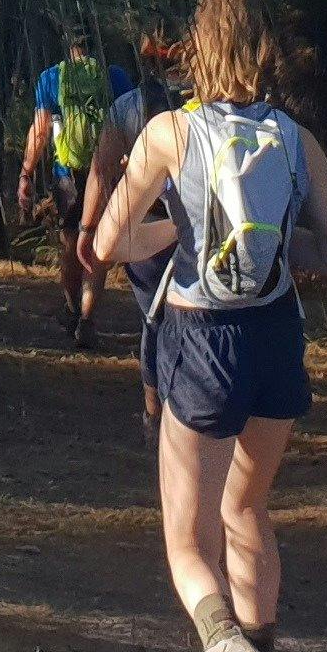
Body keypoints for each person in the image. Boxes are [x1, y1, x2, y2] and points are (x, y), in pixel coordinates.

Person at [92, 0, 327, 652]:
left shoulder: (169, 134)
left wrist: (182, 231)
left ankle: (224, 650)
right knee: (247, 508)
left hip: (201, 339)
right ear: (268, 48)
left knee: (187, 542)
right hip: (275, 338)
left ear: (196, 47)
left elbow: (107, 242)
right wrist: (269, 242)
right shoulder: (297, 140)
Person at [82, 28, 188, 422]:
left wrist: (87, 229)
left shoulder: (128, 106)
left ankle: (153, 411)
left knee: (153, 319)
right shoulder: (209, 105)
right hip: (203, 229)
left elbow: (100, 169)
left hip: (145, 230)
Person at [14, 20, 117, 343]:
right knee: (97, 244)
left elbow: (40, 131)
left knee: (71, 243)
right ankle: (87, 317)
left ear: (68, 45)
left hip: (67, 176)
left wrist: (26, 173)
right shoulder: (113, 77)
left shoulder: (51, 78)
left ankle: (72, 310)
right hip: (105, 170)